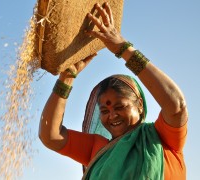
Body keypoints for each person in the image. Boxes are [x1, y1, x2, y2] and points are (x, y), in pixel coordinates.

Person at [39, 2, 188, 179]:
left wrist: (122, 48)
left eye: (119, 107)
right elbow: (50, 135)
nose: (112, 115)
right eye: (104, 110)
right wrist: (66, 79)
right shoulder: (99, 148)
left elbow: (176, 105)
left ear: (139, 105)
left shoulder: (163, 138)